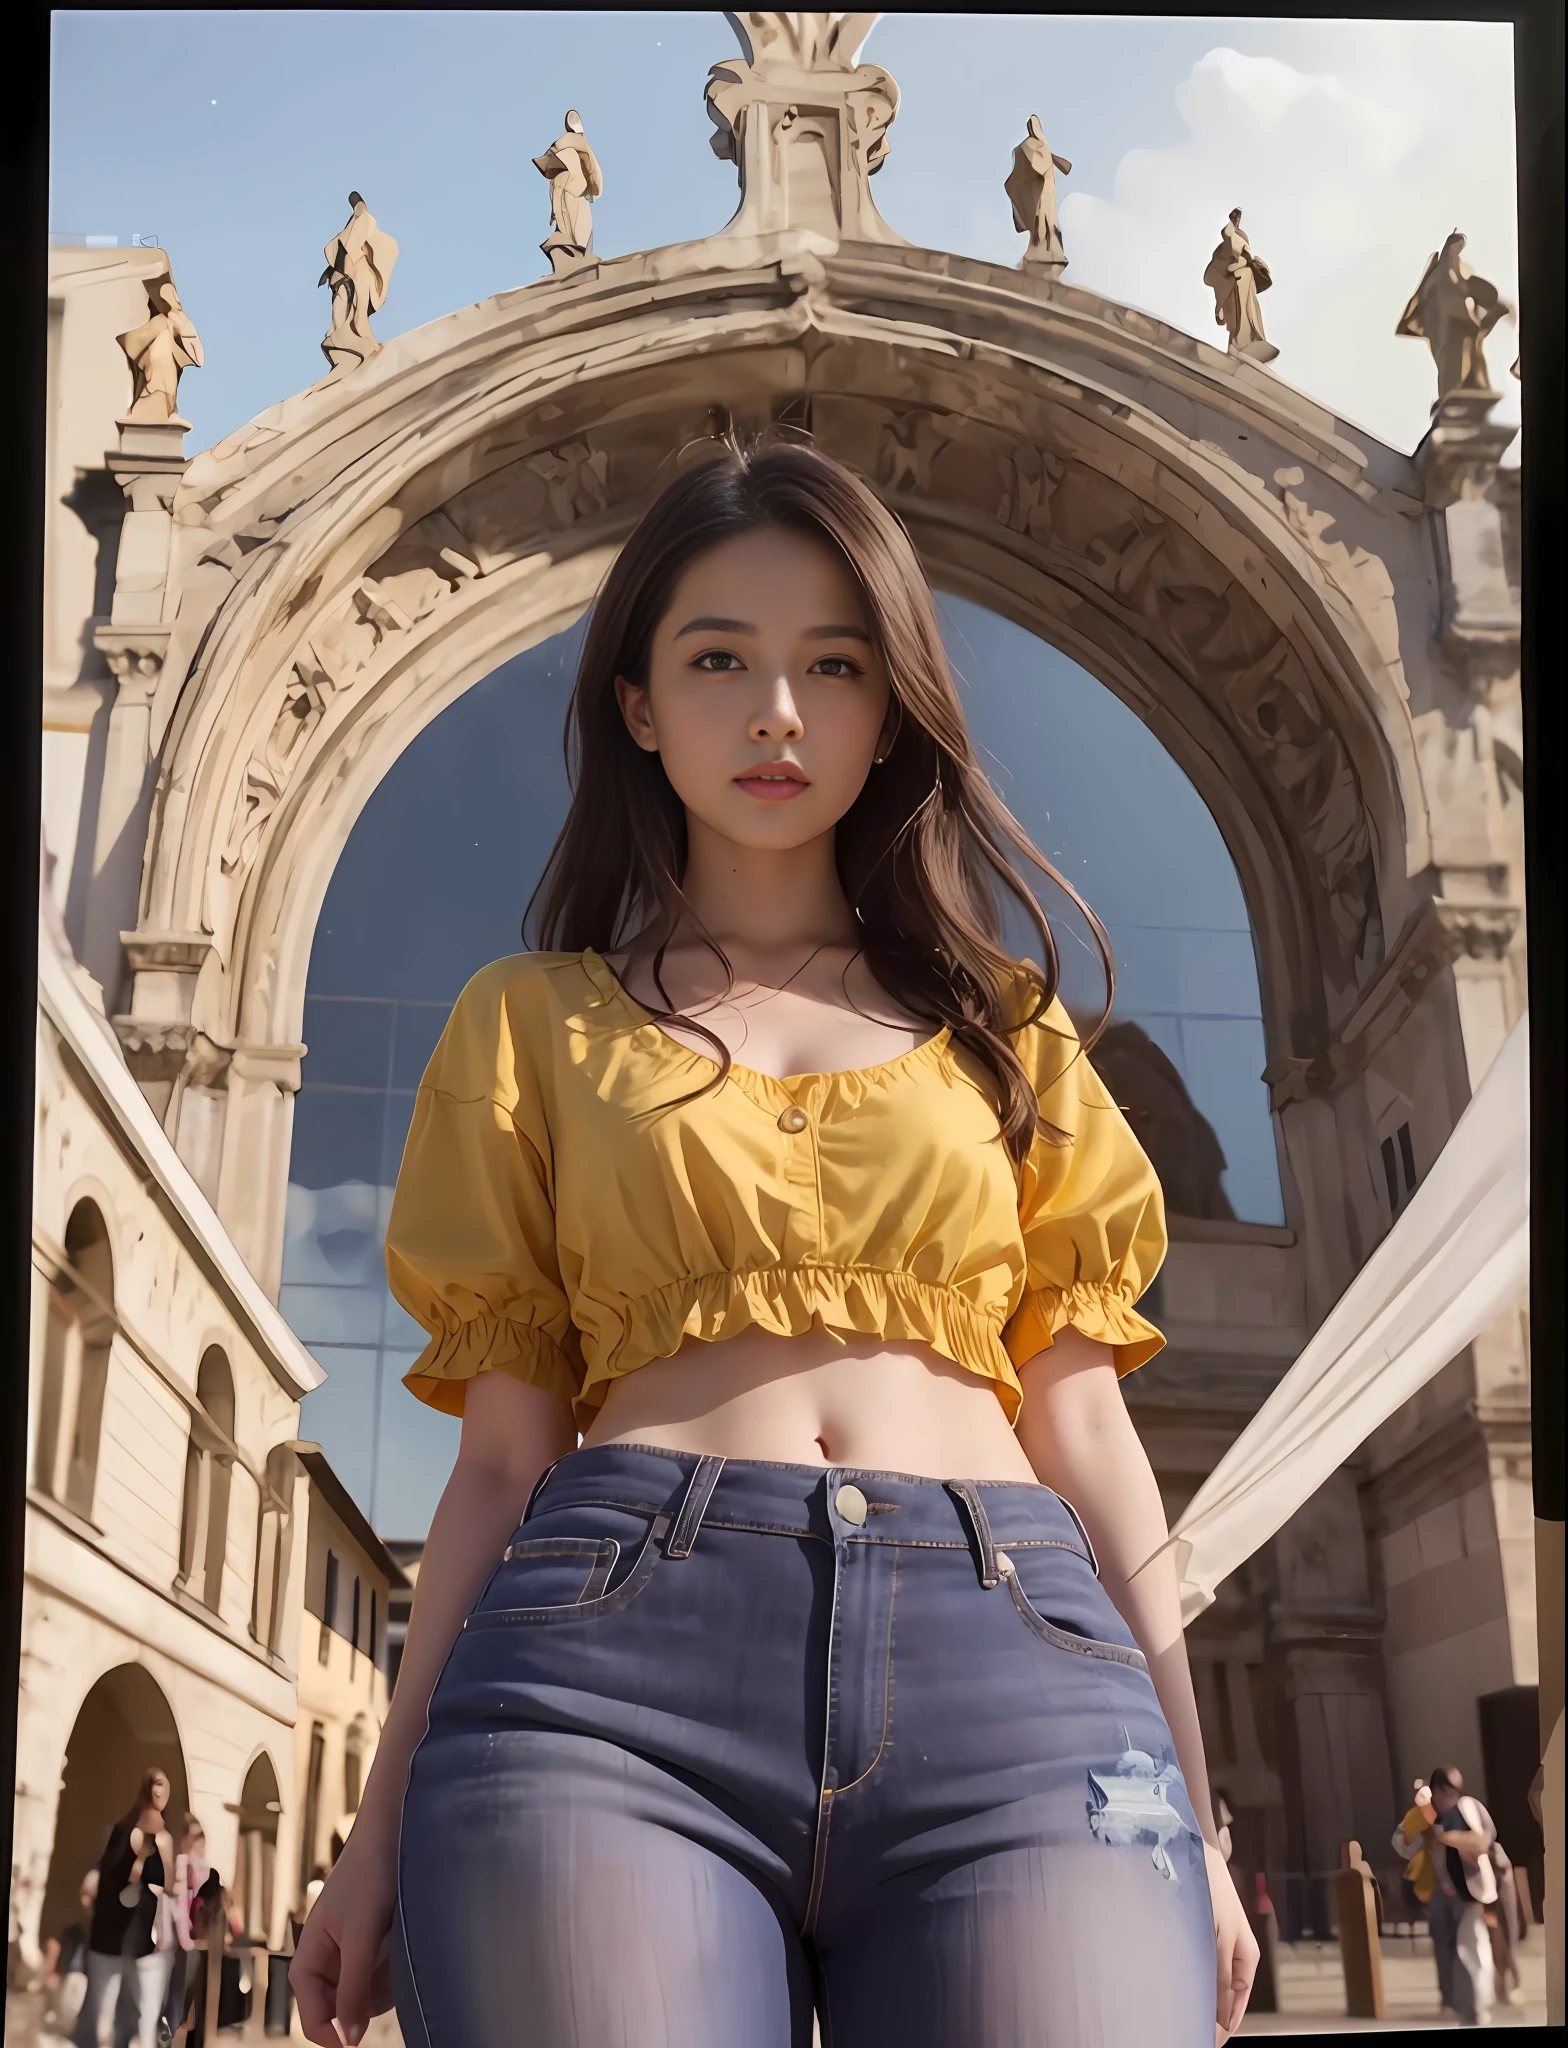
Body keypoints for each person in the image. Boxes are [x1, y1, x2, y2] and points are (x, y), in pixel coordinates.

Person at [290, 439, 1259, 2047]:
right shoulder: (528, 1024)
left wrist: (1203, 1826)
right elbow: (497, 1462)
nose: (779, 712)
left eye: (835, 664)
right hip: (604, 1679)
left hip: (1016, 1666)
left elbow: (1086, 1424)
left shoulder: (1009, 1035)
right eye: (719, 658)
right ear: (637, 704)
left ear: (890, 712)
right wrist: (375, 1819)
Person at [74, 1768, 176, 2048]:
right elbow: (157, 1884)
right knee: (124, 2015)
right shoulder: (136, 1832)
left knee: (123, 2015)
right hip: (128, 1939)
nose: (160, 1793)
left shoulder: (147, 1834)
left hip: (128, 1939)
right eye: (156, 1787)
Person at [1393, 1767, 1498, 2024]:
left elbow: (1485, 1840)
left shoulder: (1468, 1808)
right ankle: (1449, 1999)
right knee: (1443, 1945)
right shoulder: (1425, 1814)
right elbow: (1403, 1845)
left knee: (1469, 1947)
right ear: (1437, 1791)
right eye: (1448, 1791)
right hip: (1440, 1889)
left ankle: (1474, 2006)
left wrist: (1450, 1838)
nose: (1453, 1797)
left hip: (1468, 1889)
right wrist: (1419, 1826)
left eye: (1456, 1791)